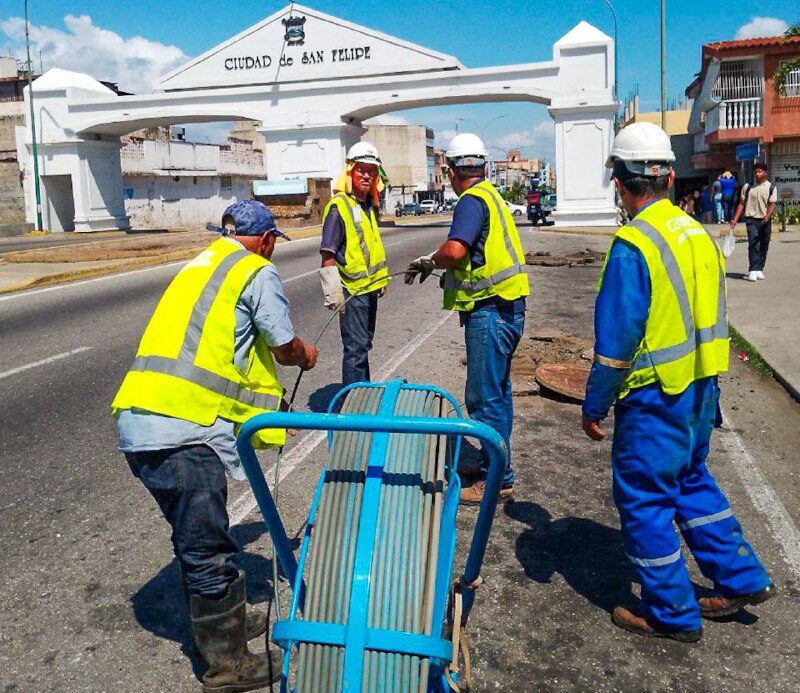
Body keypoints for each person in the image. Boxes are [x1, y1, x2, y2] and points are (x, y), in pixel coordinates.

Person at [111, 200, 319, 691]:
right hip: (182, 430)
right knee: (206, 547)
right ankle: (227, 665)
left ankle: (223, 626)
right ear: (267, 241)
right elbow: (284, 345)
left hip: (142, 424)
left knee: (198, 536)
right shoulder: (256, 271)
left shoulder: (199, 265)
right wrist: (305, 355)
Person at [582, 122, 774, 642]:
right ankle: (740, 578)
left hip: (655, 395)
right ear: (666, 176)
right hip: (701, 390)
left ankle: (670, 612)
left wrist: (594, 404)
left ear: (622, 181)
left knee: (645, 499)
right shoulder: (698, 234)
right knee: (691, 480)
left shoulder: (633, 243)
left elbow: (616, 344)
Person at [404, 133, 529, 505]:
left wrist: (430, 261)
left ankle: (497, 480)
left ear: (451, 170)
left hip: (489, 312)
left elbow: (457, 249)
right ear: (484, 166)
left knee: (484, 400)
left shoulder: (471, 202)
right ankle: (497, 468)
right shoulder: (492, 196)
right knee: (499, 397)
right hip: (507, 309)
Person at [318, 142, 391, 386]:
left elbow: (370, 248)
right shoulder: (339, 207)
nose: (367, 175)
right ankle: (352, 405)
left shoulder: (368, 206)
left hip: (369, 290)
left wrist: (380, 280)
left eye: (371, 171)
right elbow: (327, 254)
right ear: (350, 171)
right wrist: (333, 292)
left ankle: (363, 394)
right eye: (361, 170)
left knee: (363, 345)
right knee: (356, 350)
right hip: (352, 292)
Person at [730, 160, 778, 282]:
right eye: (755, 172)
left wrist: (767, 217)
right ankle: (752, 269)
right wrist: (735, 220)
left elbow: (772, 205)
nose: (757, 174)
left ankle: (759, 268)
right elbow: (741, 204)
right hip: (751, 220)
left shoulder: (771, 187)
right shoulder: (747, 187)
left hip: (765, 220)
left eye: (759, 172)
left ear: (765, 173)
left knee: (764, 244)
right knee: (753, 243)